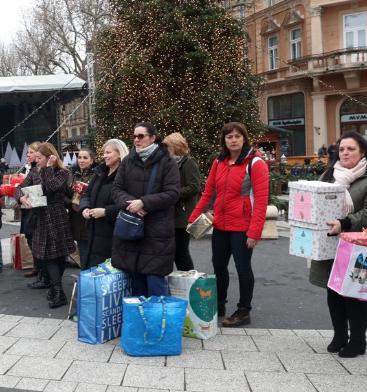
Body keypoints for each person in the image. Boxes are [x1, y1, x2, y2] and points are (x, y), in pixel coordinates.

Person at [308, 131, 367, 357]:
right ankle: (339, 334)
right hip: (331, 244)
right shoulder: (329, 175)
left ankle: (358, 340)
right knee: (333, 290)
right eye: (342, 149)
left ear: (362, 151)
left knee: (356, 292)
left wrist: (345, 222)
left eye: (351, 149)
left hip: (359, 246)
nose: (345, 153)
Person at [189, 122, 269, 327]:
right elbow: (208, 193)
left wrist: (254, 233)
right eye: (229, 137)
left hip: (242, 227)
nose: (233, 140)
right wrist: (193, 218)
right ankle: (220, 304)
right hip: (221, 225)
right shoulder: (219, 161)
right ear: (224, 140)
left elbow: (260, 201)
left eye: (237, 136)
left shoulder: (255, 163)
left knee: (243, 268)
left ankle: (244, 310)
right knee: (218, 266)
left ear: (244, 138)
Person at [112, 122, 181, 297]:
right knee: (137, 286)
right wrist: (131, 204)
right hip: (132, 230)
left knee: (155, 284)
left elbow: (173, 193)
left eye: (141, 136)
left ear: (152, 138)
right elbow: (116, 189)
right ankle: (140, 324)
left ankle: (157, 324)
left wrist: (144, 203)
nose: (136, 140)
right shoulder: (128, 160)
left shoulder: (167, 161)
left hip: (157, 232)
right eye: (134, 136)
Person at [18, 142, 75, 308]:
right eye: (35, 158)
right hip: (41, 217)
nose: (37, 162)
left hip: (57, 216)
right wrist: (21, 197)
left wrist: (49, 167)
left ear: (50, 157)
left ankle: (56, 289)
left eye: (40, 158)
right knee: (49, 255)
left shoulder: (62, 172)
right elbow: (19, 188)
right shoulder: (35, 171)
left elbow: (51, 188)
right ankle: (57, 290)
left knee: (59, 255)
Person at [80, 139, 129, 268]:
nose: (105, 156)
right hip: (94, 229)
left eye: (108, 152)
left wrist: (106, 212)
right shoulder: (99, 172)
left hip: (113, 230)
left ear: (119, 154)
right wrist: (85, 208)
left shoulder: (126, 174)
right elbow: (87, 194)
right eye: (104, 153)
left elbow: (128, 203)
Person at [164, 132, 200, 271]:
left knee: (181, 253)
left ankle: (188, 281)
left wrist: (173, 194)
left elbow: (194, 186)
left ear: (176, 147)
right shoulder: (172, 163)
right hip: (174, 214)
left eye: (168, 147)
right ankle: (183, 281)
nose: (166, 150)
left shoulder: (188, 162)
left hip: (183, 216)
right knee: (176, 253)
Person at [66, 148, 96, 266]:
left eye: (85, 158)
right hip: (75, 218)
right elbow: (63, 194)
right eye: (79, 157)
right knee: (82, 251)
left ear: (92, 160)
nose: (81, 160)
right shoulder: (72, 174)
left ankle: (88, 278)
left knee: (90, 252)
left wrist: (87, 192)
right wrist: (70, 203)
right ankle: (85, 278)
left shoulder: (97, 175)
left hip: (90, 217)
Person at [18, 142, 42, 280]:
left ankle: (40, 269)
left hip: (36, 208)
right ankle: (36, 266)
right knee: (29, 237)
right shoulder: (28, 168)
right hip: (27, 207)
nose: (28, 155)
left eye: (31, 152)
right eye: (27, 153)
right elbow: (20, 188)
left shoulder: (40, 169)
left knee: (36, 239)